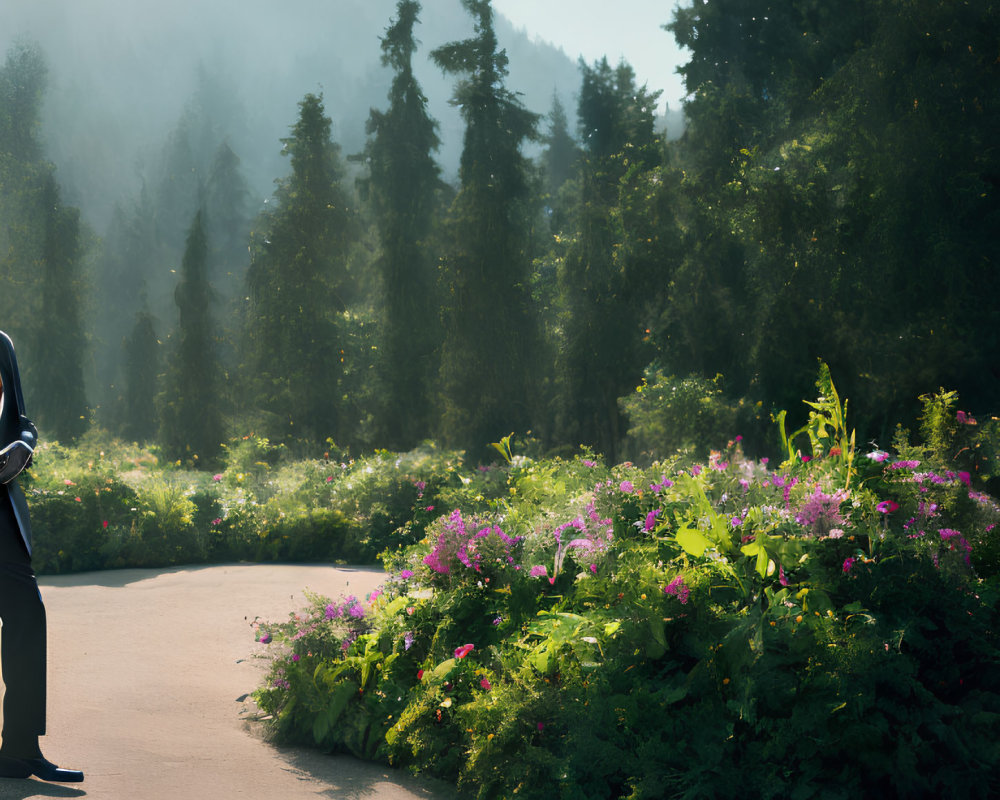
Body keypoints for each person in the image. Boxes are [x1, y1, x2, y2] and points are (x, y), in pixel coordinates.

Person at [0, 330, 83, 783]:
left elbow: (21, 419)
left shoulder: (2, 344)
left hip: (2, 521)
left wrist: (23, 446)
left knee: (28, 621)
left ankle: (18, 750)